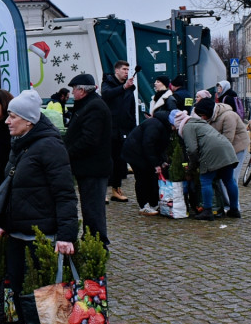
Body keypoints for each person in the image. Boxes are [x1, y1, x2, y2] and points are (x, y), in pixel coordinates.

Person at [0, 90, 78, 324]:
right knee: (19, 289)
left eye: (12, 116)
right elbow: (13, 189)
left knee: (43, 292)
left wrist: (67, 235)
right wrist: (5, 223)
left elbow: (65, 194)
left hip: (41, 233)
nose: (7, 121)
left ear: (29, 120)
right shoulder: (20, 143)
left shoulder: (50, 146)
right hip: (17, 232)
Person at [64, 73, 113, 245]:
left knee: (93, 209)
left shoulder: (94, 107)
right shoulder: (87, 105)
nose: (71, 93)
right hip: (88, 167)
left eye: (73, 89)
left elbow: (90, 139)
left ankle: (98, 244)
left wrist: (68, 152)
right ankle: (92, 240)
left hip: (93, 167)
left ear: (82, 90)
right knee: (90, 208)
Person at [182, 99, 241, 220]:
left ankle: (207, 211)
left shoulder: (188, 127)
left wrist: (191, 167)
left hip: (211, 153)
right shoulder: (203, 124)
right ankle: (234, 209)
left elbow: (192, 150)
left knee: (205, 180)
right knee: (229, 180)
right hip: (227, 149)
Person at [122, 111, 171, 216]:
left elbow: (157, 147)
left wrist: (161, 162)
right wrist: (156, 164)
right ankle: (143, 205)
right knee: (142, 178)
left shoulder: (160, 125)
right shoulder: (155, 126)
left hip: (141, 153)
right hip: (135, 153)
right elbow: (148, 145)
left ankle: (153, 203)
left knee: (151, 177)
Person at [101, 61, 136, 202]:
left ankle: (116, 189)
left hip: (123, 130)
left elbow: (131, 109)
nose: (126, 72)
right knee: (106, 160)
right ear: (116, 71)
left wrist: (132, 128)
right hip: (109, 129)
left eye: (128, 69)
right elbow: (106, 95)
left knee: (120, 161)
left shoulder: (129, 89)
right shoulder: (107, 83)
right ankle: (103, 191)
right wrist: (123, 87)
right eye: (124, 69)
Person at [204, 95, 249, 187]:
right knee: (224, 177)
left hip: (237, 146)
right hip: (224, 148)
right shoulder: (212, 117)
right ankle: (226, 200)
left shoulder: (229, 116)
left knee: (232, 176)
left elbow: (228, 138)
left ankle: (233, 201)